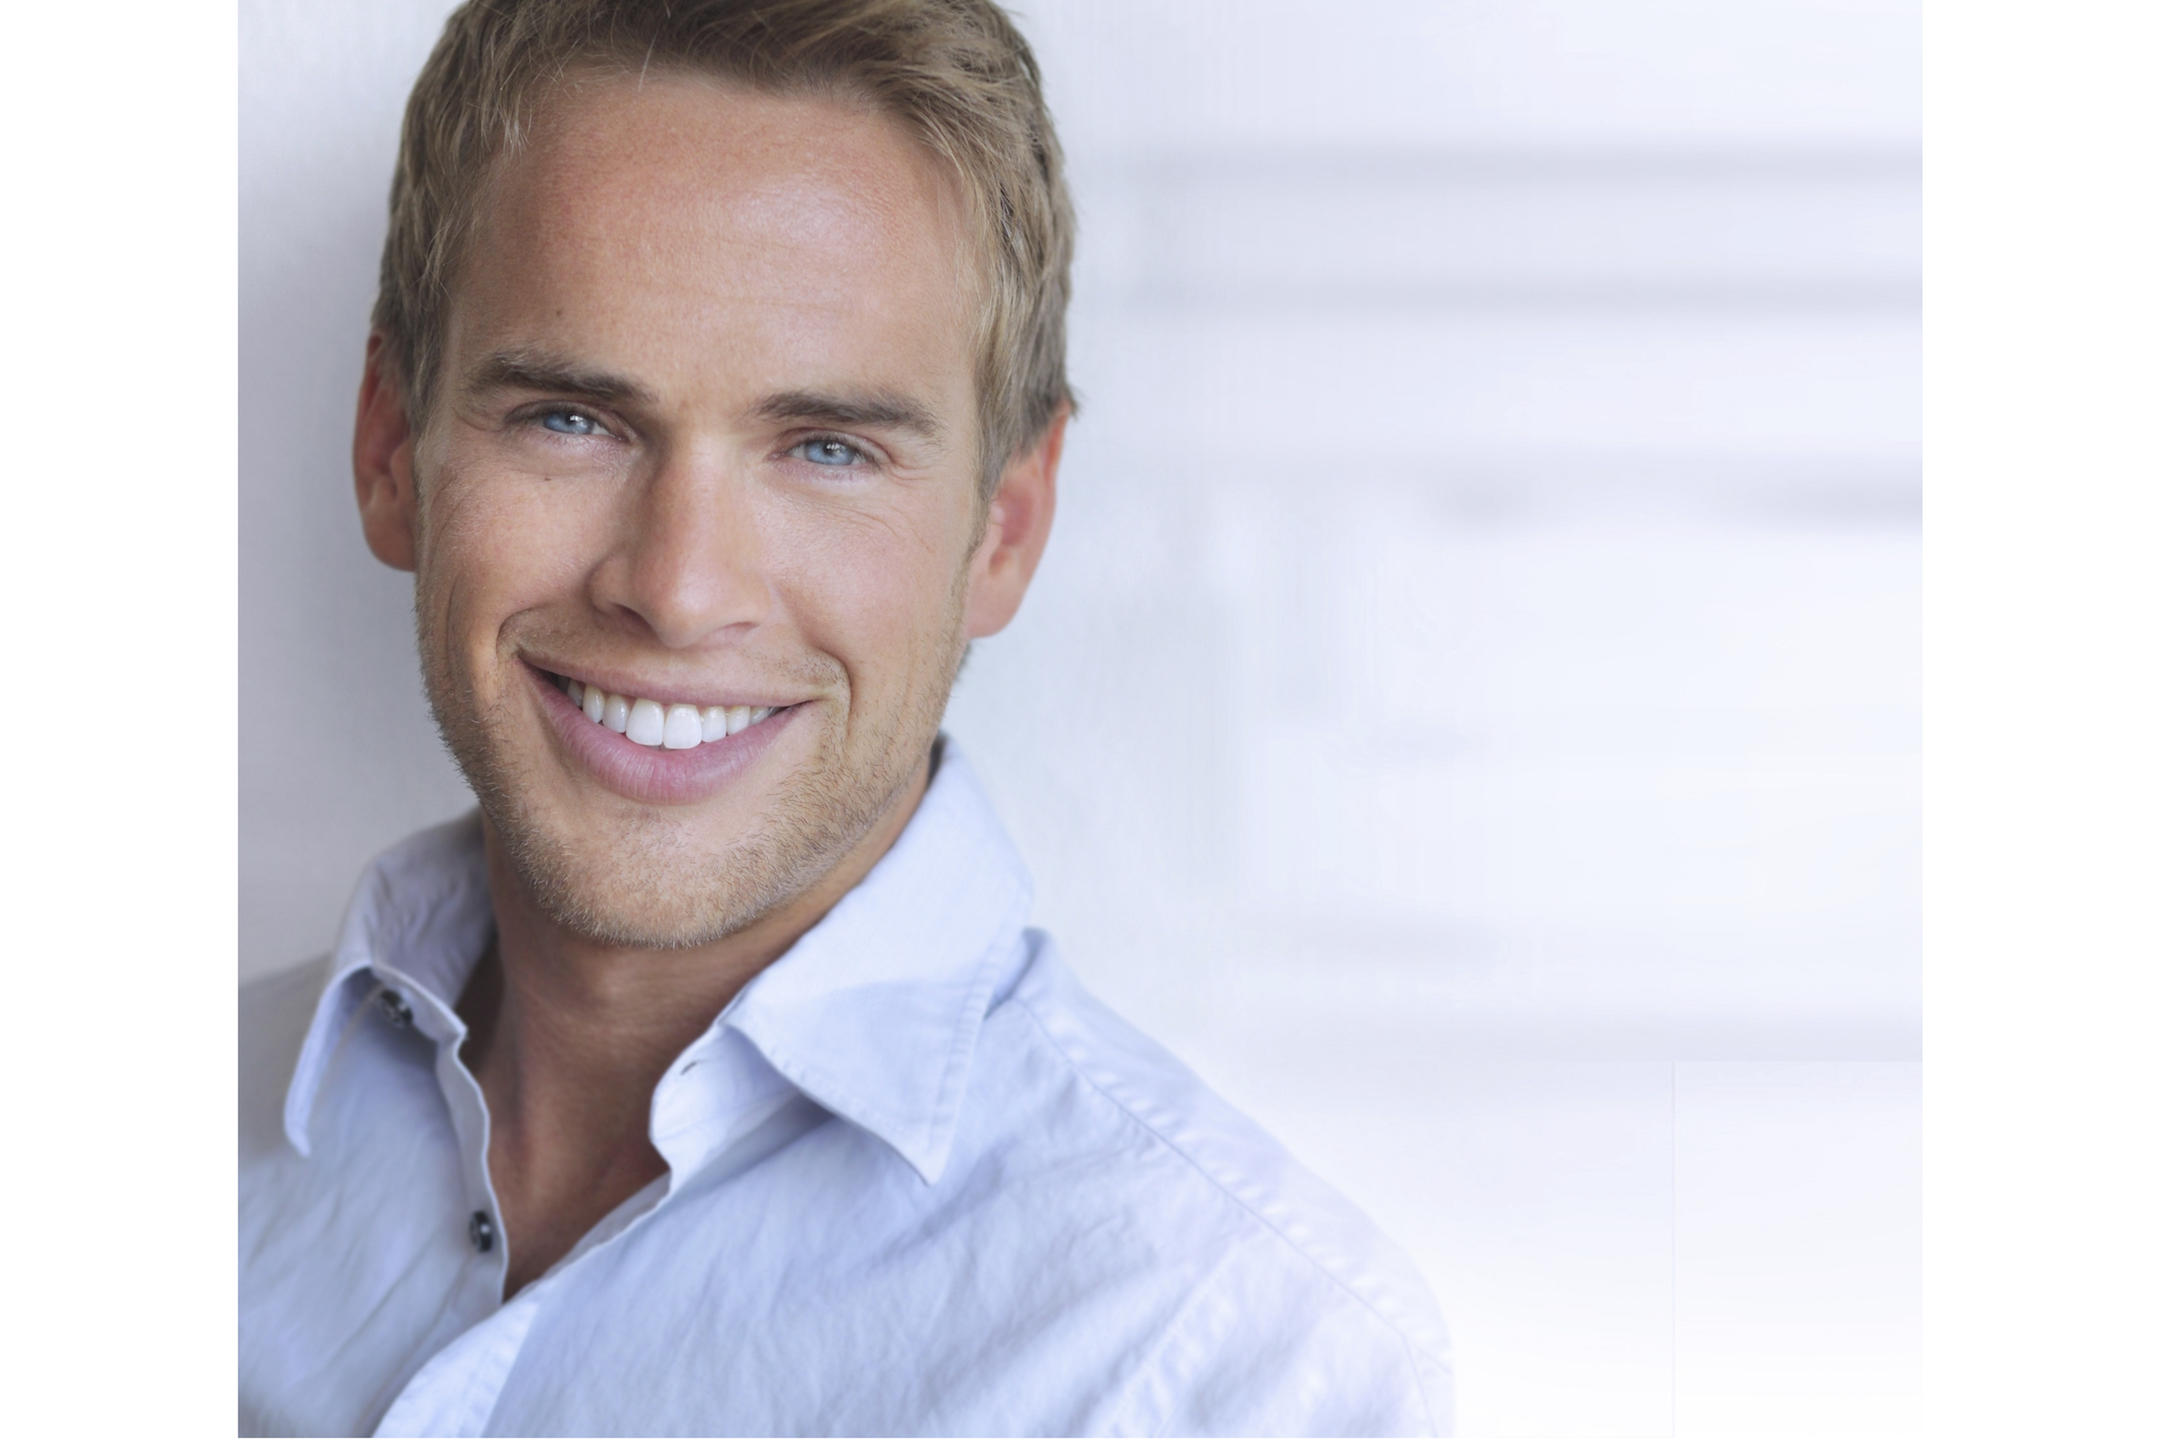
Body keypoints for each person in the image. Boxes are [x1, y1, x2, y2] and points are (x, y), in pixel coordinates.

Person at [238, 1, 1452, 1432]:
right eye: (571, 418)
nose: (678, 591)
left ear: (1005, 526)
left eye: (826, 448)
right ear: (392, 448)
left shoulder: (1229, 1366)